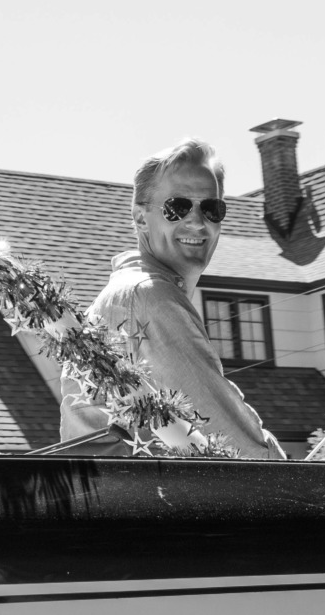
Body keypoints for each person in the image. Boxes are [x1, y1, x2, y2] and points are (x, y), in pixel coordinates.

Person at [61, 139, 284, 459]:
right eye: (177, 207)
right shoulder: (153, 297)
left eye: (212, 209)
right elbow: (234, 447)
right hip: (155, 491)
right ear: (140, 218)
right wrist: (296, 474)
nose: (197, 221)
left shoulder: (117, 297)